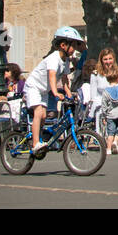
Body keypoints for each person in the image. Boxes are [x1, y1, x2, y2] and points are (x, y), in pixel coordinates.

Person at [28, 28, 84, 157]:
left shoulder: (66, 61)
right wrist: (55, 92)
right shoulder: (54, 58)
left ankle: (40, 138)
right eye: (73, 45)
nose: (75, 48)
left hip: (43, 90)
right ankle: (35, 143)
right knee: (39, 113)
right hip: (34, 86)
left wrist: (68, 92)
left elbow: (64, 78)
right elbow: (52, 75)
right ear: (63, 45)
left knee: (43, 116)